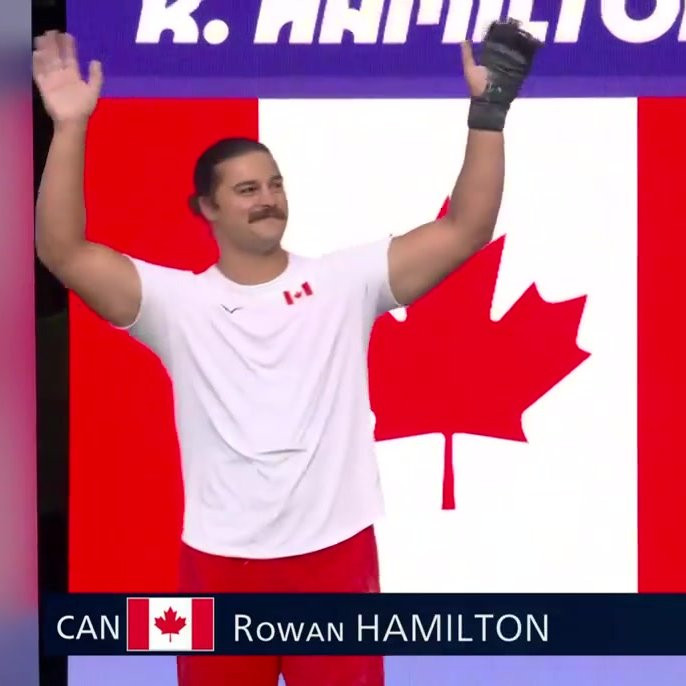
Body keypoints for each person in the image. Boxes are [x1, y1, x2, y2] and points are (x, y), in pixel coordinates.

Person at [33, 21, 540, 686]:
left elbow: (465, 228)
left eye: (274, 184)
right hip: (219, 565)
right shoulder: (175, 304)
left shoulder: (342, 282)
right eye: (247, 190)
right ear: (206, 208)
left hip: (335, 563)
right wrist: (69, 128)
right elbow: (62, 252)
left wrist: (490, 112)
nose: (268, 199)